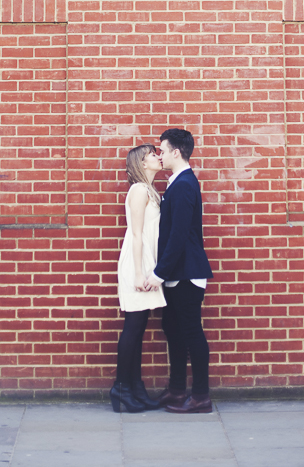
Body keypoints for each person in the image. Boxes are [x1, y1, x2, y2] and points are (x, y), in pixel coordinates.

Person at [145, 128, 213, 414]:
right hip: (177, 273)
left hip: (186, 273)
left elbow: (179, 235)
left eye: (162, 150)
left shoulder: (184, 184)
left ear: (176, 152)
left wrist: (159, 272)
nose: (159, 155)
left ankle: (200, 397)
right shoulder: (177, 182)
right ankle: (175, 390)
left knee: (191, 332)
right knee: (172, 329)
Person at [110, 143, 166, 413]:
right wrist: (138, 272)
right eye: (152, 155)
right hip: (137, 264)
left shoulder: (150, 191)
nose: (158, 157)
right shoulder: (139, 190)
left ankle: (134, 387)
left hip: (145, 262)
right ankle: (121, 388)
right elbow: (135, 234)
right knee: (132, 328)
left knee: (139, 327)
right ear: (142, 163)